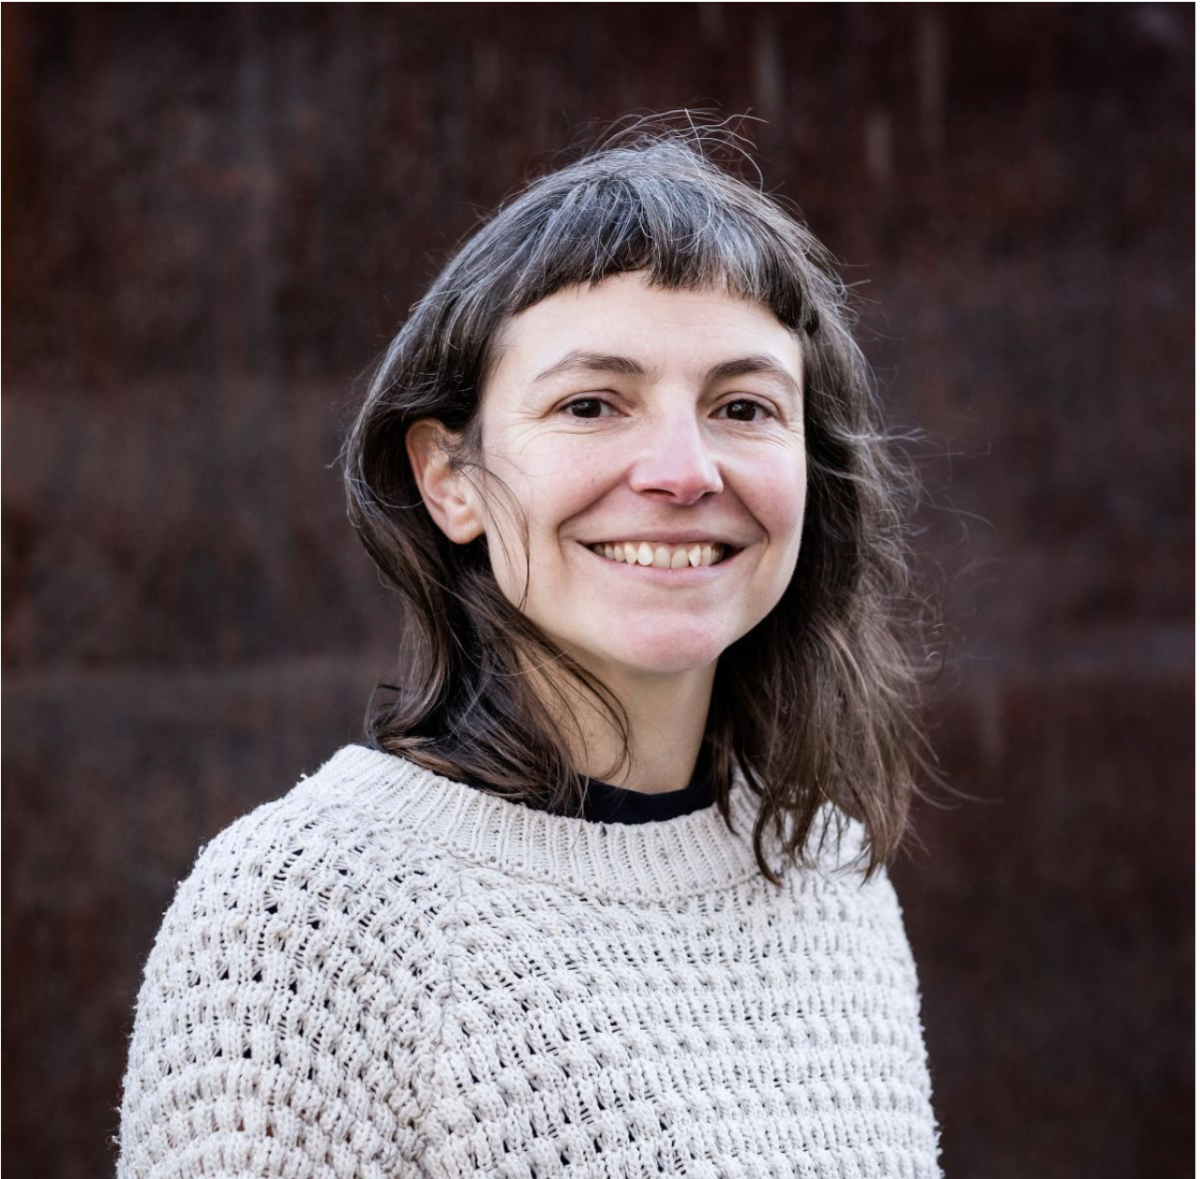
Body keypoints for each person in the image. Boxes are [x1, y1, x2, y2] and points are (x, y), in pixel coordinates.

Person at [116, 119, 945, 1177]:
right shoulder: (300, 921)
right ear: (448, 478)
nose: (684, 472)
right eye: (592, 404)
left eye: (743, 406)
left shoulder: (826, 868)